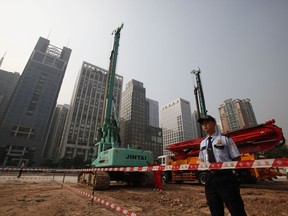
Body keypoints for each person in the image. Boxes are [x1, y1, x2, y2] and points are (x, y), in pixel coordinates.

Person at [198, 115, 247, 216]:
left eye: (207, 122)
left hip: (226, 177)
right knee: (215, 209)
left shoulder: (225, 138)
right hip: (210, 178)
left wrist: (231, 171)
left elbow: (236, 158)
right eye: (202, 123)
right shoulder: (202, 143)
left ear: (214, 123)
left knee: (235, 208)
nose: (204, 125)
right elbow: (201, 160)